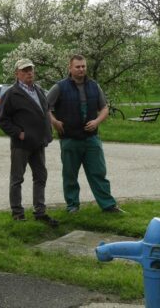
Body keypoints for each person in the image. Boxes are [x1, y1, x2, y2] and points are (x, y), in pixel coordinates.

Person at [47, 55, 122, 214]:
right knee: (70, 175)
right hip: (69, 139)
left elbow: (104, 108)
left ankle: (108, 205)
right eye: (77, 67)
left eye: (83, 66)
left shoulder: (94, 86)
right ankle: (72, 206)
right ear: (70, 68)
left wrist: (97, 121)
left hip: (92, 139)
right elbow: (45, 108)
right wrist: (54, 122)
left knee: (98, 173)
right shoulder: (59, 87)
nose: (81, 69)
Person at [0, 59, 59, 227]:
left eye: (31, 70)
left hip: (38, 143)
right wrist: (18, 133)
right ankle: (17, 212)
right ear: (17, 73)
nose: (29, 73)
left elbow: (44, 112)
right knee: (17, 179)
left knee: (40, 176)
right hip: (21, 145)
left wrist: (48, 132)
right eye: (25, 70)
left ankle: (40, 211)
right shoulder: (11, 94)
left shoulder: (38, 90)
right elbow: (1, 120)